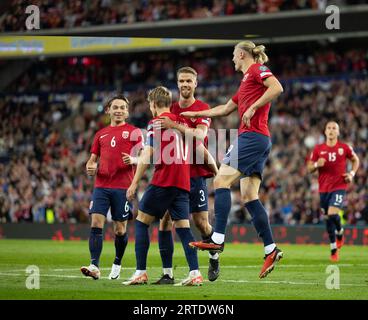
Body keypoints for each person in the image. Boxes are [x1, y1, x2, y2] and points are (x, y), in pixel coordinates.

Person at [181, 40, 284, 279]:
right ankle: (270, 248)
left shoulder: (257, 70)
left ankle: (217, 239)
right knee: (249, 196)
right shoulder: (245, 81)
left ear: (241, 54)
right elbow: (225, 108)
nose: (232, 60)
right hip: (259, 140)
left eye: (233, 56)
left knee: (220, 181)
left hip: (251, 137)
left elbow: (277, 87)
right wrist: (197, 113)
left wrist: (252, 108)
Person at [123, 86, 203, 286]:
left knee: (141, 221)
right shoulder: (181, 121)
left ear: (153, 104)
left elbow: (148, 154)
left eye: (150, 105)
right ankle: (195, 273)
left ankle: (141, 272)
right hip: (183, 182)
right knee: (184, 228)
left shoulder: (156, 123)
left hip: (165, 179)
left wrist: (134, 183)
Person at [150, 66, 219, 284]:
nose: (185, 85)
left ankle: (214, 254)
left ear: (196, 84)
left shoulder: (202, 108)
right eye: (181, 81)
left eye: (189, 81)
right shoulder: (169, 109)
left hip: (195, 173)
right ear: (177, 83)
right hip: (173, 175)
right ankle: (168, 274)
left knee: (201, 223)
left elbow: (199, 137)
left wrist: (175, 125)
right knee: (164, 222)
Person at [80, 94, 144, 280]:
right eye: (115, 107)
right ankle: (94, 265)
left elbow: (144, 157)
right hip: (101, 185)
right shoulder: (100, 134)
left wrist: (133, 159)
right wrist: (90, 167)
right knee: (96, 222)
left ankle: (117, 262)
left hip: (123, 187)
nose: (118, 110)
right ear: (108, 110)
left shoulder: (134, 132)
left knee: (120, 230)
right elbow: (91, 161)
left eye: (122, 107)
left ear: (127, 111)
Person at [307, 121, 359, 262]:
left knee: (332, 213)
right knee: (328, 219)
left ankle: (340, 232)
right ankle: (333, 248)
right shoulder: (318, 149)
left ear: (338, 132)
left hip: (339, 186)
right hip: (323, 189)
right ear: (325, 131)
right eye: (329, 128)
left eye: (334, 128)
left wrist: (351, 174)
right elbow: (309, 168)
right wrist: (318, 164)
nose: (331, 130)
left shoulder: (344, 148)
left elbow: (356, 160)